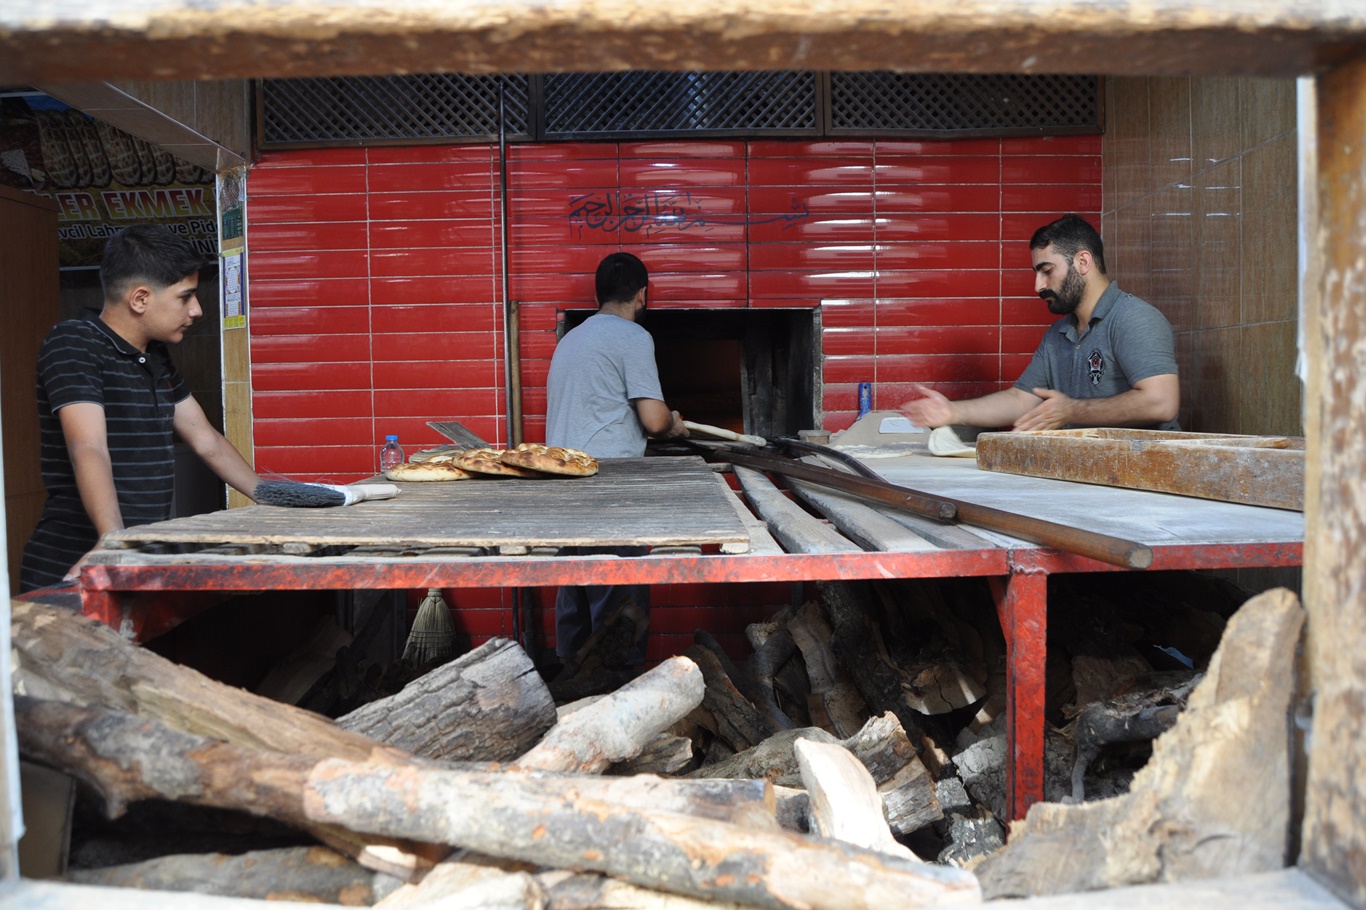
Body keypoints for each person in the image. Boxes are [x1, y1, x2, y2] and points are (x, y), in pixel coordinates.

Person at [20, 224, 264, 592]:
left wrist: (275, 499)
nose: (197, 310)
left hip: (131, 558)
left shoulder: (154, 356)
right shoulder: (74, 342)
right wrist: (112, 540)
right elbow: (88, 446)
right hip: (74, 565)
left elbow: (206, 439)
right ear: (139, 299)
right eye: (185, 297)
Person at [899, 213, 1180, 433]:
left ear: (1083, 262)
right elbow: (1021, 400)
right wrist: (952, 412)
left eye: (1047, 271)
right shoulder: (1058, 334)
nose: (1038, 286)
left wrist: (1070, 410)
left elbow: (1161, 402)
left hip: (1144, 478)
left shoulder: (1134, 318)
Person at [544, 251, 687, 667]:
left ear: (598, 295)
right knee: (619, 599)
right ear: (643, 294)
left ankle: (571, 685)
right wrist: (675, 424)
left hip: (561, 483)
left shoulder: (570, 340)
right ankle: (616, 683)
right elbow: (654, 420)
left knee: (575, 588)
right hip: (609, 486)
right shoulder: (632, 336)